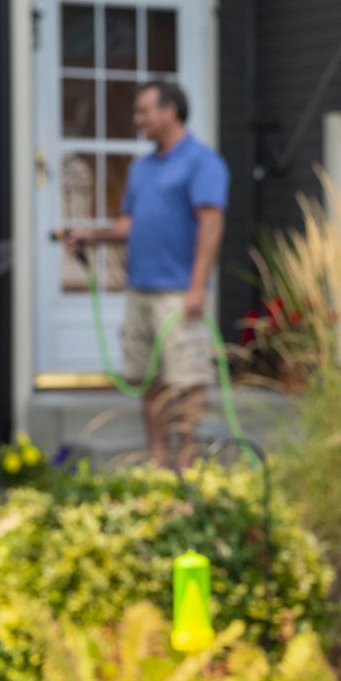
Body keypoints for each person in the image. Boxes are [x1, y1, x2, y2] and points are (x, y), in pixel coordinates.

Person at [66, 81, 229, 470]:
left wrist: (197, 286)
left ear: (170, 111)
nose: (138, 120)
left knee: (187, 380)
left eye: (144, 111)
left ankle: (189, 465)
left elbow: (211, 224)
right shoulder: (142, 168)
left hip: (178, 292)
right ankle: (159, 461)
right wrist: (93, 235)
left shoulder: (202, 162)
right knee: (149, 379)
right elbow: (128, 226)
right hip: (140, 289)